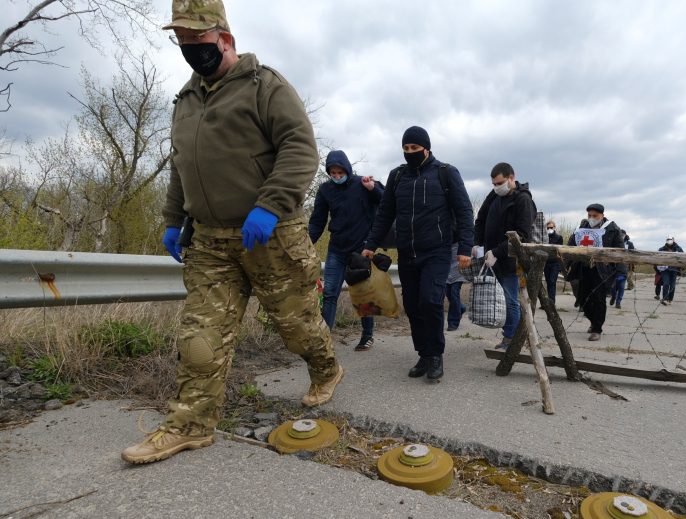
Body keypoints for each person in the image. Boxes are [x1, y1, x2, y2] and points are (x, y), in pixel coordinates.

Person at [123, 0, 342, 464]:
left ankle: (326, 368)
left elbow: (300, 149)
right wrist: (173, 218)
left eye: (197, 40)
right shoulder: (185, 102)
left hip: (271, 237)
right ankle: (190, 425)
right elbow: (182, 167)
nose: (189, 49)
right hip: (210, 242)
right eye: (181, 41)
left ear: (224, 37)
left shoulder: (266, 86)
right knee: (199, 341)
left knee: (297, 329)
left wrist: (269, 206)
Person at [363, 126, 473, 380]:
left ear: (427, 148)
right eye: (406, 148)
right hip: (407, 251)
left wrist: (465, 248)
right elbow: (385, 213)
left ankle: (436, 355)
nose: (410, 152)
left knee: (431, 301)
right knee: (412, 305)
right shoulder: (397, 176)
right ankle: (423, 353)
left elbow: (465, 211)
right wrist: (370, 244)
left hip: (437, 251)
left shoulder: (446, 173)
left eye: (415, 148)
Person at [309, 150, 384, 350]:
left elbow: (386, 203)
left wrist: (372, 189)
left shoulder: (362, 184)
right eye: (332, 173)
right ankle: (324, 340)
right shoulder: (325, 190)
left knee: (363, 294)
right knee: (331, 293)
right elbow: (317, 220)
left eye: (339, 172)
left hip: (360, 250)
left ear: (347, 169)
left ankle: (367, 335)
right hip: (337, 249)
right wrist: (307, 243)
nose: (336, 176)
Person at [474, 162, 535, 350]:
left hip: (510, 260)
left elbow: (522, 234)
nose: (496, 187)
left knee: (509, 300)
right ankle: (508, 334)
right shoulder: (493, 196)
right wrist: (477, 243)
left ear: (511, 178)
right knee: (496, 298)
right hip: (491, 258)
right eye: (493, 183)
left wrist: (498, 251)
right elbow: (480, 220)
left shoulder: (523, 200)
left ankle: (511, 339)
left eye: (499, 183)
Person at [566, 203, 625, 341]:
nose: (592, 218)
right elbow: (570, 245)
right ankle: (593, 320)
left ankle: (597, 329)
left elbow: (620, 250)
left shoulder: (612, 229)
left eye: (595, 216)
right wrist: (566, 263)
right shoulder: (581, 228)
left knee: (598, 299)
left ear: (602, 216)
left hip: (603, 271)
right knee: (582, 298)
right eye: (589, 215)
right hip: (583, 268)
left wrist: (620, 270)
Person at [609, 229, 632, 309]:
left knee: (621, 287)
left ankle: (618, 302)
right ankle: (613, 297)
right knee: (613, 287)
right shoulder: (613, 242)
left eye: (623, 235)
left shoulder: (629, 244)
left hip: (623, 268)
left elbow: (633, 255)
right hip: (613, 268)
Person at [658, 236, 684, 305]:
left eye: (671, 240)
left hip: (674, 270)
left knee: (672, 286)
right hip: (665, 269)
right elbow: (657, 258)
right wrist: (657, 270)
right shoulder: (662, 249)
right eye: (668, 240)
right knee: (666, 284)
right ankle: (664, 299)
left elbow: (682, 254)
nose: (669, 241)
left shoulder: (677, 248)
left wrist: (676, 245)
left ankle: (670, 299)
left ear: (673, 240)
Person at [544, 220, 564, 303]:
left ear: (554, 227)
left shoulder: (559, 237)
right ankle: (549, 300)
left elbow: (560, 251)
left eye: (551, 227)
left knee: (552, 281)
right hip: (546, 262)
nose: (549, 229)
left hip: (555, 263)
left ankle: (551, 301)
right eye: (548, 228)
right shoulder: (544, 238)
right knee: (548, 282)